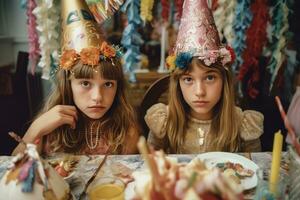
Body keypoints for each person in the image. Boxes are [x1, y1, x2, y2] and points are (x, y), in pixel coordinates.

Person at [12, 0, 139, 156]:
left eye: (108, 84)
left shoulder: (125, 131)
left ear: (117, 87)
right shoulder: (49, 128)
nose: (97, 97)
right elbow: (16, 171)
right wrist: (35, 129)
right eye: (85, 83)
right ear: (68, 84)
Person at [144, 0, 263, 154]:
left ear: (224, 80)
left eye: (209, 78)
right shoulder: (165, 122)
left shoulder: (242, 124)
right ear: (178, 83)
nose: (199, 92)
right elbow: (150, 165)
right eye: (188, 79)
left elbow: (255, 168)